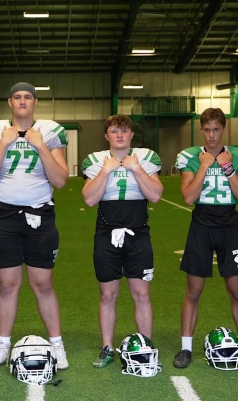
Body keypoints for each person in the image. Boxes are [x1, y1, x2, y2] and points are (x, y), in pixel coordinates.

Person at [0, 82, 70, 370]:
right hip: (3, 214)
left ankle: (57, 344)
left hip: (40, 212)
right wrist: (3, 143)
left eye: (28, 96)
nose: (23, 101)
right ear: (9, 102)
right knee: (7, 285)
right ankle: (3, 345)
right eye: (17, 96)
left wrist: (41, 145)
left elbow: (61, 179)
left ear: (35, 102)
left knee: (42, 283)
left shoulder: (50, 131)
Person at [172, 107, 238, 369]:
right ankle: (185, 348)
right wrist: (204, 166)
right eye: (207, 130)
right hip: (201, 225)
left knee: (236, 290)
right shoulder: (190, 157)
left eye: (216, 130)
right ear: (201, 130)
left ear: (224, 129)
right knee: (194, 290)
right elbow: (189, 197)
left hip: (229, 227)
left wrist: (227, 167)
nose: (212, 135)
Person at [80, 114, 164, 368]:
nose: (119, 135)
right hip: (106, 233)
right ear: (106, 136)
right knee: (108, 294)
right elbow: (89, 199)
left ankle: (145, 346)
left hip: (138, 233)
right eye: (114, 131)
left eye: (124, 130)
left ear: (131, 134)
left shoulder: (146, 157)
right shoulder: (96, 161)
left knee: (141, 293)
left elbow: (156, 195)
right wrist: (105, 171)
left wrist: (136, 168)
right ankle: (107, 347)